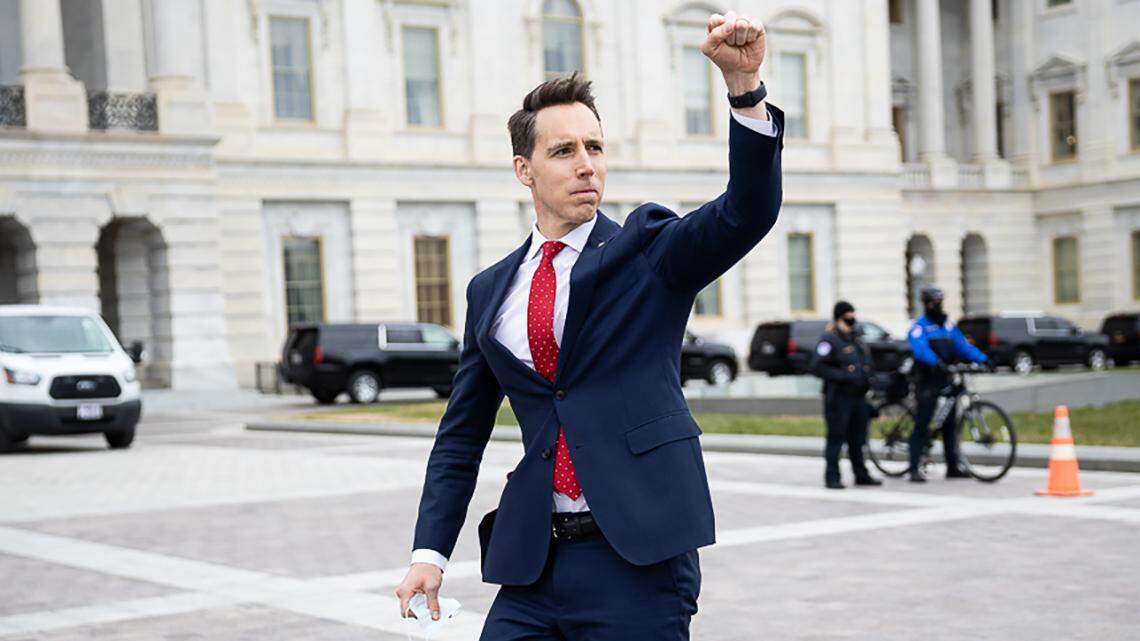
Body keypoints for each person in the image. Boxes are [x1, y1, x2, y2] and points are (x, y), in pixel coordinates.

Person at [393, 11, 782, 640]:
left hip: (638, 561)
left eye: (594, 148)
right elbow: (461, 435)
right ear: (525, 170)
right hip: (532, 566)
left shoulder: (648, 251)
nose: (586, 165)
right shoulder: (490, 290)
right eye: (564, 150)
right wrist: (428, 554)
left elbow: (747, 212)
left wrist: (745, 91)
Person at [906, 285, 989, 482]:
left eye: (940, 302)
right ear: (926, 304)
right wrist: (937, 363)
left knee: (950, 424)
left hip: (946, 379)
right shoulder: (919, 327)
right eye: (934, 302)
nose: (938, 305)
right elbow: (920, 350)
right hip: (927, 380)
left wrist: (983, 359)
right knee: (923, 423)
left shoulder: (947, 326)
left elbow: (963, 347)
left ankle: (953, 466)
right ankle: (913, 467)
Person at [809, 301, 882, 489]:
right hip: (838, 397)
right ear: (840, 316)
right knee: (836, 437)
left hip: (858, 397)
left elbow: (865, 365)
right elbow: (817, 366)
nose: (852, 318)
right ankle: (832, 476)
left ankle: (861, 474)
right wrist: (843, 376)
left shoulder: (855, 339)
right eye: (849, 314)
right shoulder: (829, 339)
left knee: (858, 438)